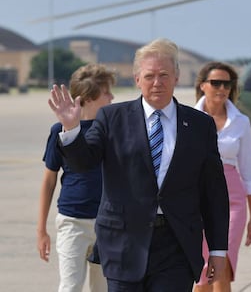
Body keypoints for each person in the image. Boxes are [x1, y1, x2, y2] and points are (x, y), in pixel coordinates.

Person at [47, 38, 230, 292]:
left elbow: (215, 193)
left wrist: (218, 250)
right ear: (137, 79)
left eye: (164, 74)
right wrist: (71, 129)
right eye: (150, 75)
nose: (157, 82)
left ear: (176, 77)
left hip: (176, 246)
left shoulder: (200, 125)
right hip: (124, 244)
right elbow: (83, 162)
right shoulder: (111, 118)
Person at [37, 63, 115, 292]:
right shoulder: (59, 131)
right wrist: (41, 230)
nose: (112, 96)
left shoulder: (113, 129)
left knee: (103, 289)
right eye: (106, 92)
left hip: (108, 224)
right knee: (70, 287)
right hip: (73, 222)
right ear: (89, 97)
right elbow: (49, 180)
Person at [193, 62, 251, 291]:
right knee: (200, 270)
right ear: (203, 86)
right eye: (216, 83)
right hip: (197, 200)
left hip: (233, 202)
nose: (222, 88)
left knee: (223, 267)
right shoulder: (187, 118)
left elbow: (249, 173)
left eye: (227, 83)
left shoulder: (241, 122)